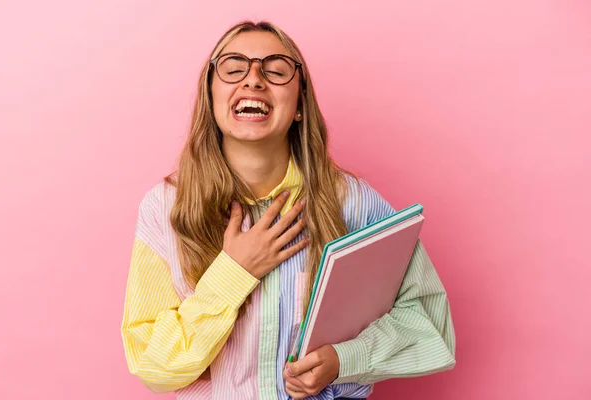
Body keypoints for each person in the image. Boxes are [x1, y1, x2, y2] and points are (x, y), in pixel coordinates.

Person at [121, 20, 456, 400]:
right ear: (211, 96)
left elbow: (429, 322)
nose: (253, 80)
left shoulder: (354, 203)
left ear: (299, 104)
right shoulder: (165, 208)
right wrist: (233, 274)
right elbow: (153, 367)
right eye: (233, 68)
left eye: (276, 70)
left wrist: (344, 360)